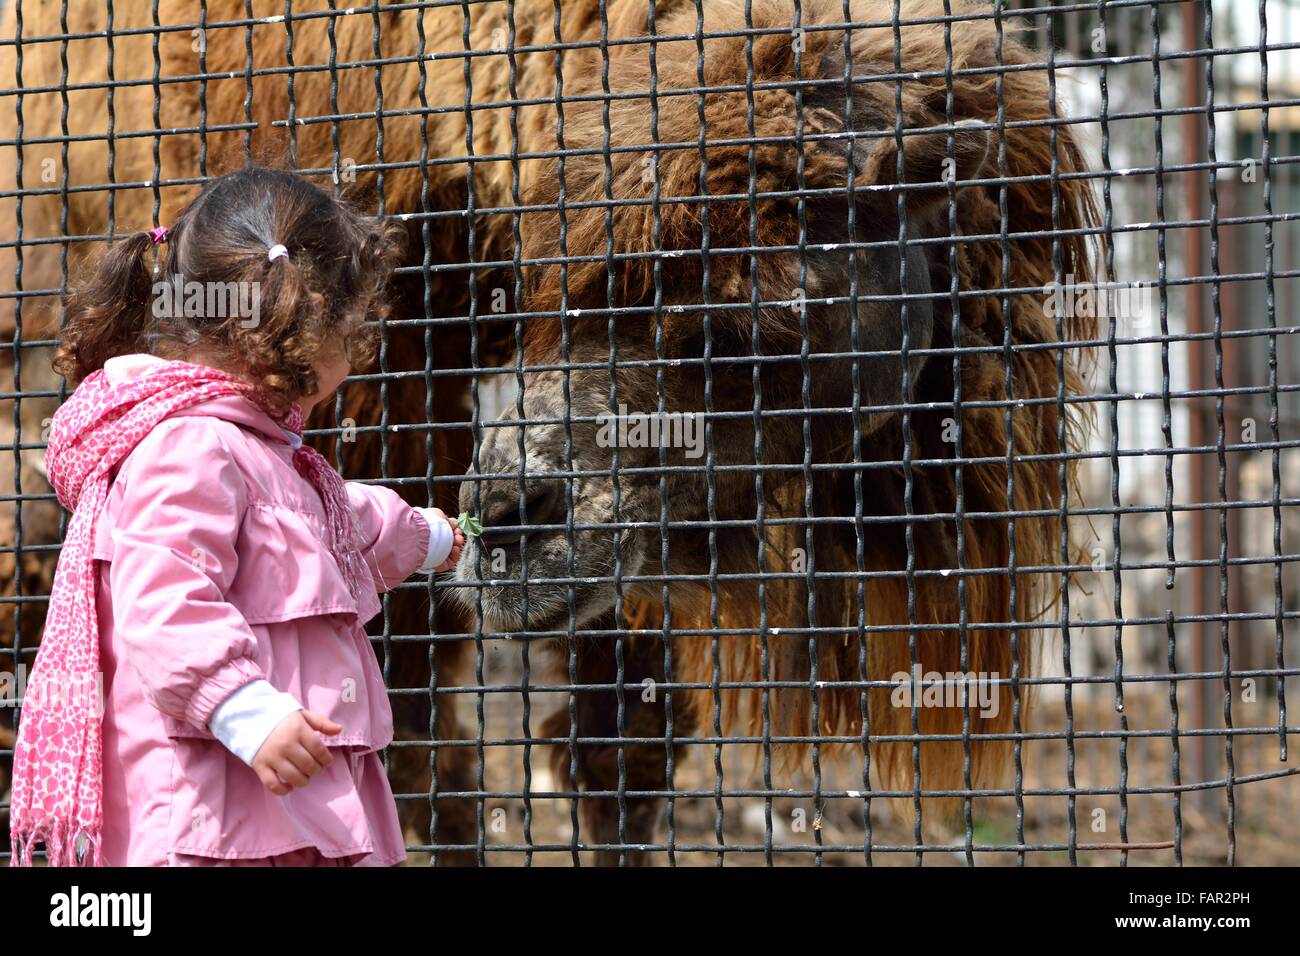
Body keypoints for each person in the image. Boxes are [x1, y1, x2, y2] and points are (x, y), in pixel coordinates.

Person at [8, 165, 462, 867]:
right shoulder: (191, 446)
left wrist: (431, 537)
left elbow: (328, 526)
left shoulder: (257, 448)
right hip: (209, 811)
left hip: (271, 809)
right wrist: (246, 711)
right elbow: (163, 602)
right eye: (353, 323)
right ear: (306, 326)